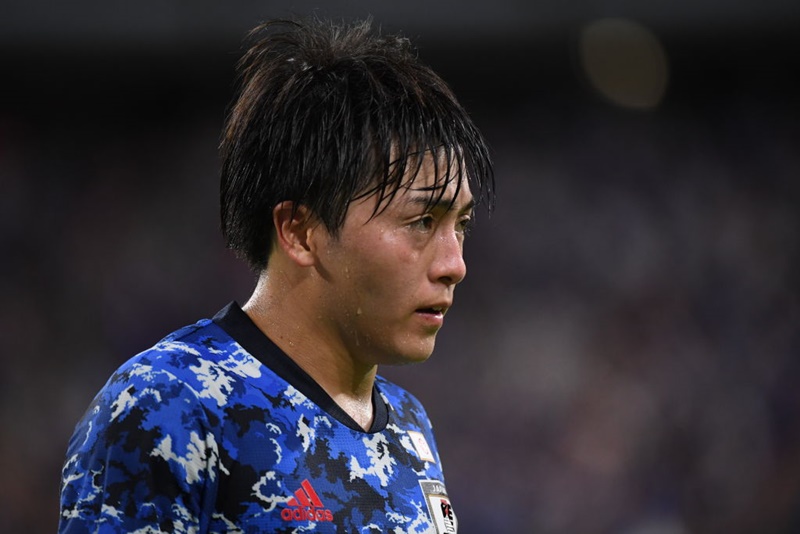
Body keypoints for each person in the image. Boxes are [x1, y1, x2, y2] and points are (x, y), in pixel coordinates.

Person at [58, 16, 493, 533]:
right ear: (300, 231)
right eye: (421, 222)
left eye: (461, 225)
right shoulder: (169, 404)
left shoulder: (410, 425)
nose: (455, 265)